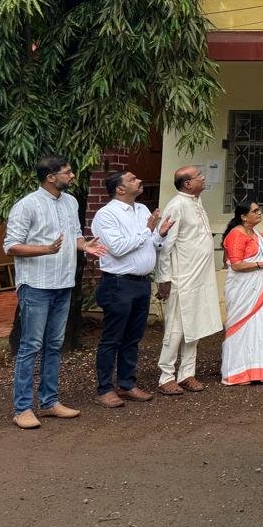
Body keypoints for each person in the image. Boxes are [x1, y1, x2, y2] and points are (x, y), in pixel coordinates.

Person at [3, 156, 104, 429]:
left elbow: (74, 236)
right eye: (67, 172)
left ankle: (49, 402)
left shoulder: (71, 202)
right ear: (50, 177)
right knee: (30, 347)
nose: (72, 176)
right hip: (36, 284)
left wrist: (86, 246)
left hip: (63, 283)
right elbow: (11, 246)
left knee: (53, 345)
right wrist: (45, 249)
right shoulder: (26, 205)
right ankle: (22, 408)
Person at [91, 169, 173, 408]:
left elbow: (150, 244)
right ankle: (105, 388)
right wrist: (148, 230)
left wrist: (160, 234)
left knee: (133, 338)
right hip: (118, 283)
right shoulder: (106, 215)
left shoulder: (142, 210)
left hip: (141, 283)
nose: (139, 180)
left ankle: (127, 384)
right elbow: (117, 248)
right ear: (119, 188)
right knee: (112, 339)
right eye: (132, 179)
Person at [156, 166, 222, 395]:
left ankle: (186, 374)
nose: (203, 178)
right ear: (187, 184)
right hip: (181, 278)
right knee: (175, 329)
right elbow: (165, 246)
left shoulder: (196, 202)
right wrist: (163, 279)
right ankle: (165, 376)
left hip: (199, 278)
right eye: (199, 176)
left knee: (194, 325)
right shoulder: (176, 206)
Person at [220, 201, 263, 385]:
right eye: (255, 211)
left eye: (259, 209)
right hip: (243, 290)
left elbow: (259, 259)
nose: (259, 213)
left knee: (258, 326)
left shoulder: (256, 234)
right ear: (244, 217)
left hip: (257, 288)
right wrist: (262, 264)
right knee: (242, 326)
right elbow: (236, 264)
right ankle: (236, 372)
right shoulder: (236, 234)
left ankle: (257, 369)